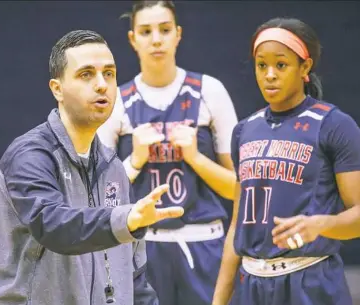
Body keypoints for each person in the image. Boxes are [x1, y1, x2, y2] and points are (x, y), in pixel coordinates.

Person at [0, 29, 185, 305]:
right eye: (87, 74)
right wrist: (126, 220)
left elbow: (135, 278)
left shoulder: (113, 167)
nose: (101, 85)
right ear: (57, 89)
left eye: (108, 73)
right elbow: (54, 227)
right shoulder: (29, 156)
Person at [212, 17, 360, 305]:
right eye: (262, 65)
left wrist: (319, 224)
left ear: (305, 68)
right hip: (252, 285)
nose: (269, 74)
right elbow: (237, 226)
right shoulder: (244, 130)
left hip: (309, 281)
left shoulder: (334, 125)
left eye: (281, 65)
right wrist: (219, 301)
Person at [97, 1, 239, 304]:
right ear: (133, 39)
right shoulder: (115, 102)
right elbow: (99, 196)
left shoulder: (210, 91)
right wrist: (134, 161)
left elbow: (240, 188)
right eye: (146, 31)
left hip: (203, 242)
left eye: (164, 29)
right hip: (142, 246)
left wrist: (196, 159)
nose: (156, 39)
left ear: (178, 34)